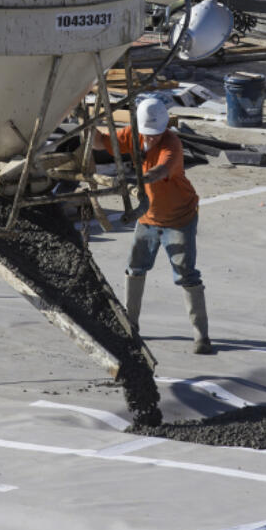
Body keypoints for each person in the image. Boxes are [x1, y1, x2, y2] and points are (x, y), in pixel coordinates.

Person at [95, 96, 213, 354]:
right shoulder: (135, 134)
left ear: (164, 128)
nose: (150, 139)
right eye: (147, 134)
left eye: (155, 135)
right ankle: (131, 325)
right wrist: (85, 131)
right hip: (148, 218)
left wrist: (134, 179)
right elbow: (104, 142)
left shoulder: (172, 145)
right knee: (135, 268)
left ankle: (201, 336)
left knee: (185, 274)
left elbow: (160, 171)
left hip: (179, 219)